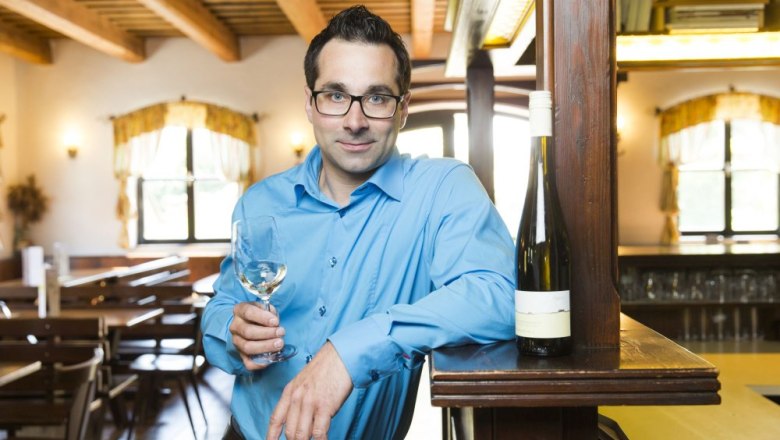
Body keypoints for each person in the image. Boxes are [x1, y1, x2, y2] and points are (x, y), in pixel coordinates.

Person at [201, 5, 515, 439]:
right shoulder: (259, 203)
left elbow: (498, 295)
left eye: (377, 98)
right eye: (335, 95)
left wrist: (352, 351)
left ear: (403, 109)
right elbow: (219, 311)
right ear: (310, 106)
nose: (354, 121)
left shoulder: (443, 188)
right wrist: (230, 331)